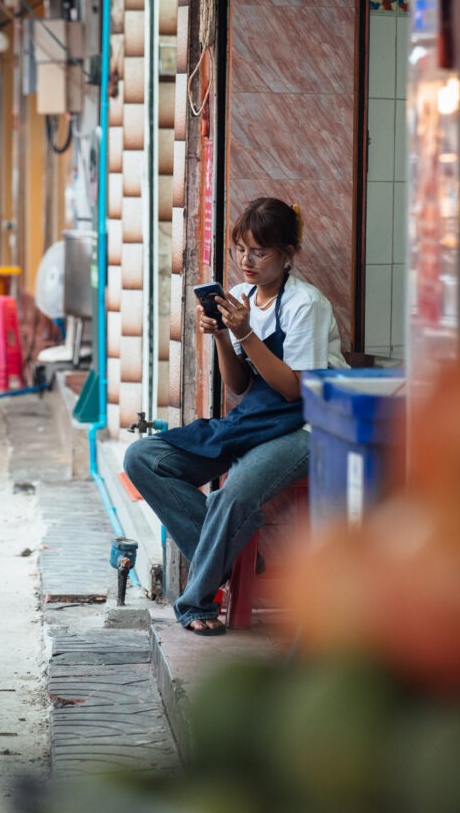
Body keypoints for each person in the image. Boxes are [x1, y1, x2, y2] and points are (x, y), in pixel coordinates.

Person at [123, 197, 348, 635]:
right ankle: (230, 547)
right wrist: (224, 337)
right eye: (240, 249)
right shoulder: (241, 297)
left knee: (231, 497)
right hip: (255, 419)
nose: (246, 261)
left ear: (287, 254)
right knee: (143, 457)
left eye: (259, 252)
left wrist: (244, 331)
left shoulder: (306, 305)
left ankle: (197, 602)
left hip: (308, 426)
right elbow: (240, 386)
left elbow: (293, 389)